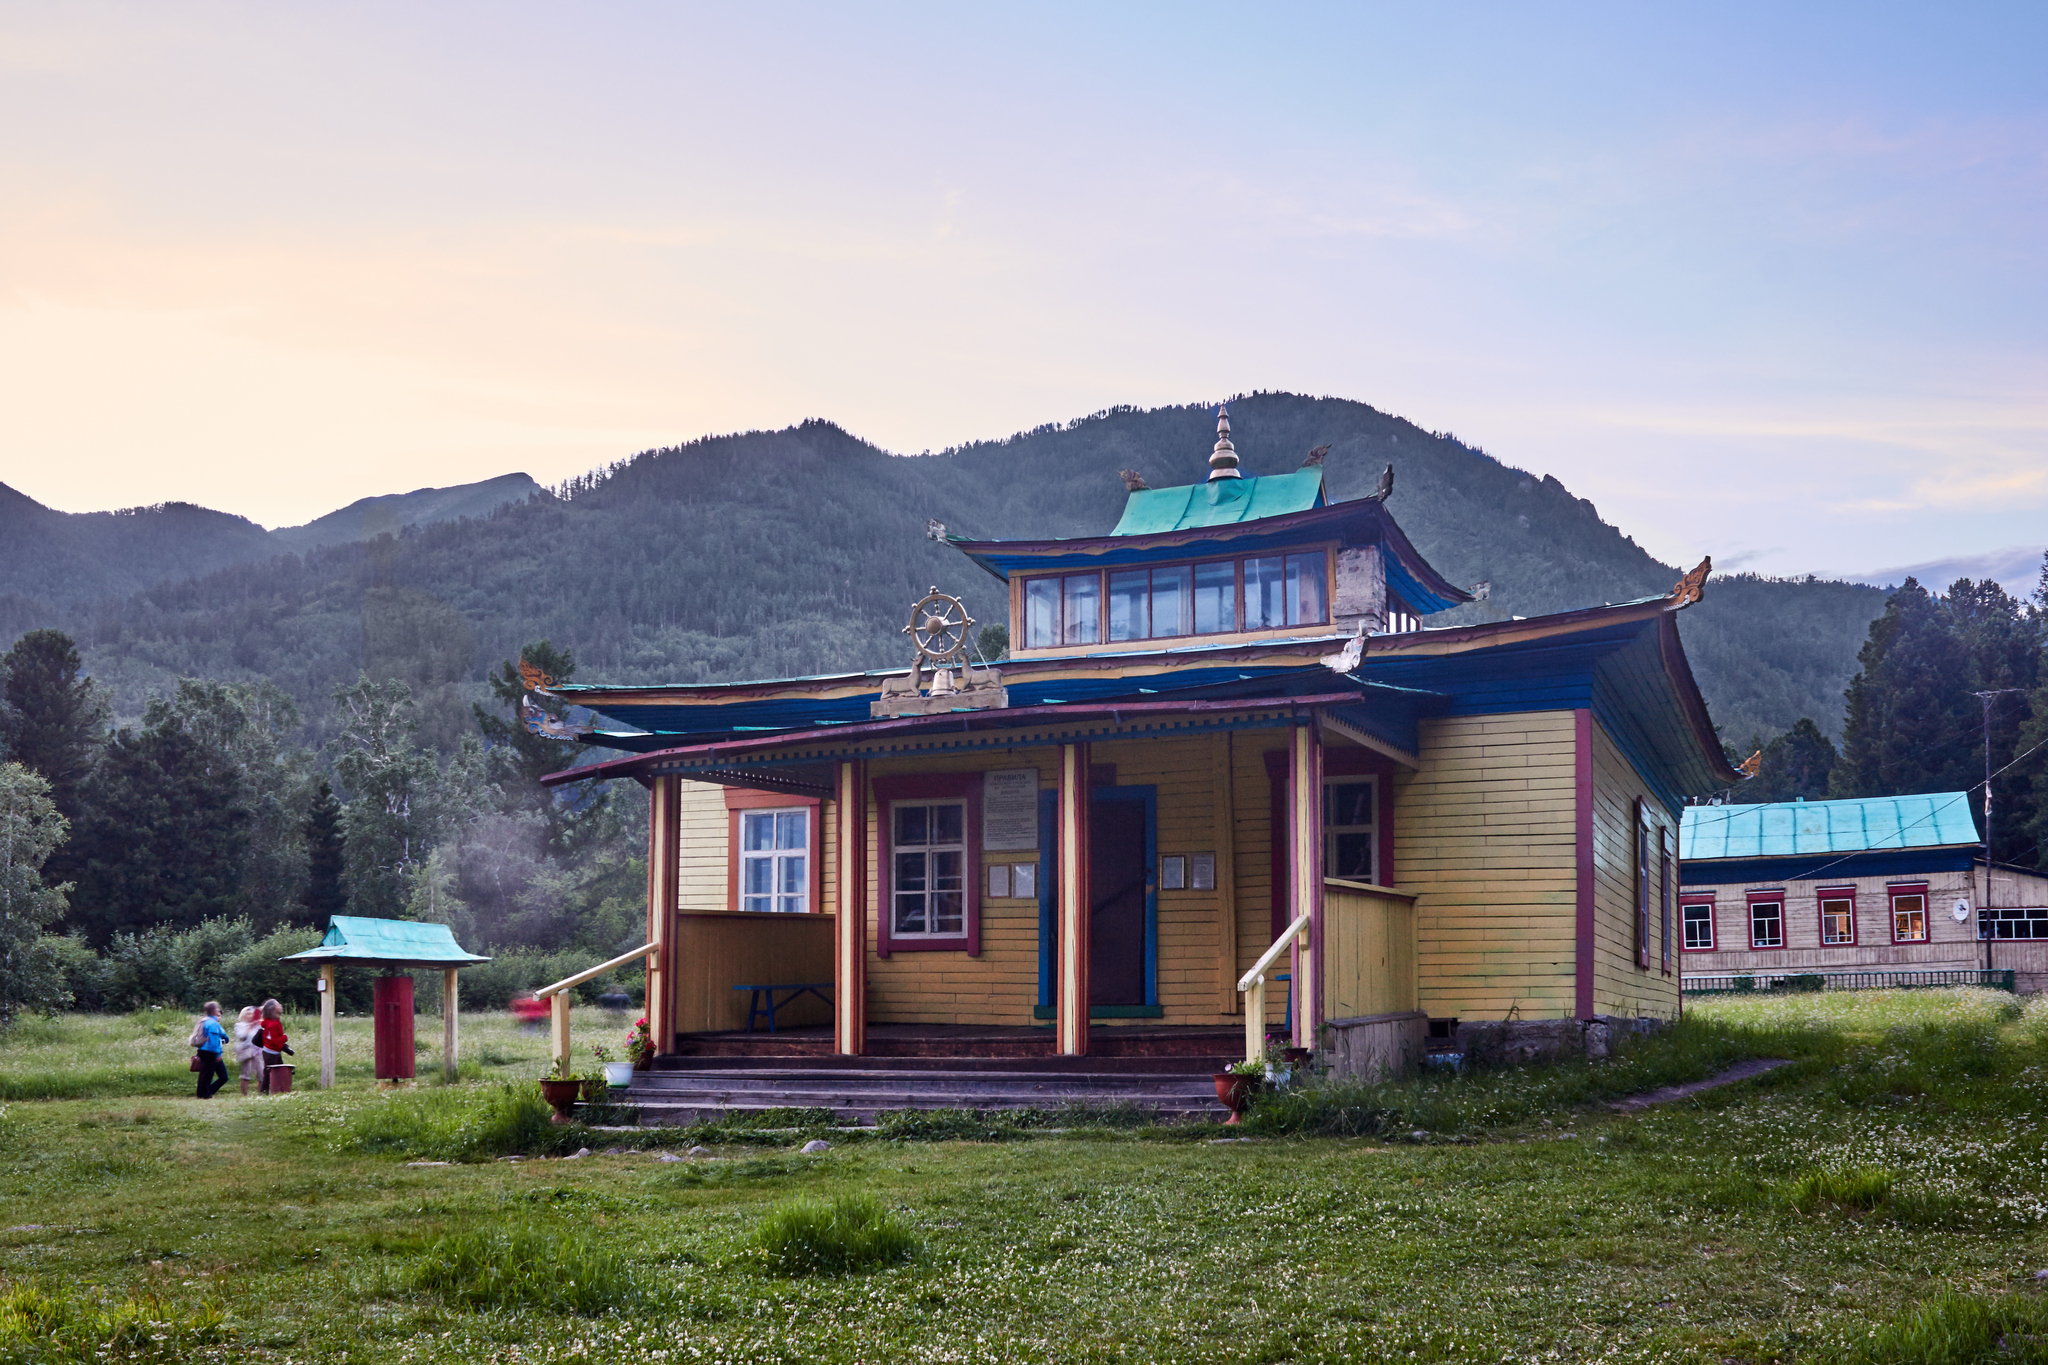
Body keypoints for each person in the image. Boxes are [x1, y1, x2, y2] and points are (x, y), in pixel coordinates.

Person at [191, 1002, 229, 1099]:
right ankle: (205, 1094)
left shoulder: (205, 1021)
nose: (219, 1010)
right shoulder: (212, 1023)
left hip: (202, 1050)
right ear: (214, 1010)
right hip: (210, 1051)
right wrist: (217, 1054)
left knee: (205, 1073)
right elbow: (213, 1041)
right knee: (208, 1074)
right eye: (217, 1008)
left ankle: (204, 1092)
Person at [258, 999, 291, 1093]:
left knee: (279, 1071)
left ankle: (278, 1090)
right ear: (273, 1009)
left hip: (275, 1051)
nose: (280, 1005)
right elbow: (275, 1041)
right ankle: (264, 1092)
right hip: (270, 1052)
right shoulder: (272, 1024)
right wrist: (285, 1037)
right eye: (278, 1004)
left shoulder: (275, 1020)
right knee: (269, 1073)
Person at [232, 1005, 266, 1097]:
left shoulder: (258, 1025)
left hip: (258, 1052)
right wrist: (250, 1026)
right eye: (248, 1014)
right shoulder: (239, 1025)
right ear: (243, 1015)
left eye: (252, 1014)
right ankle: (244, 1095)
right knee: (245, 1074)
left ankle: (261, 1094)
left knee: (261, 1074)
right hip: (246, 1051)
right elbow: (241, 1036)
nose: (250, 1016)